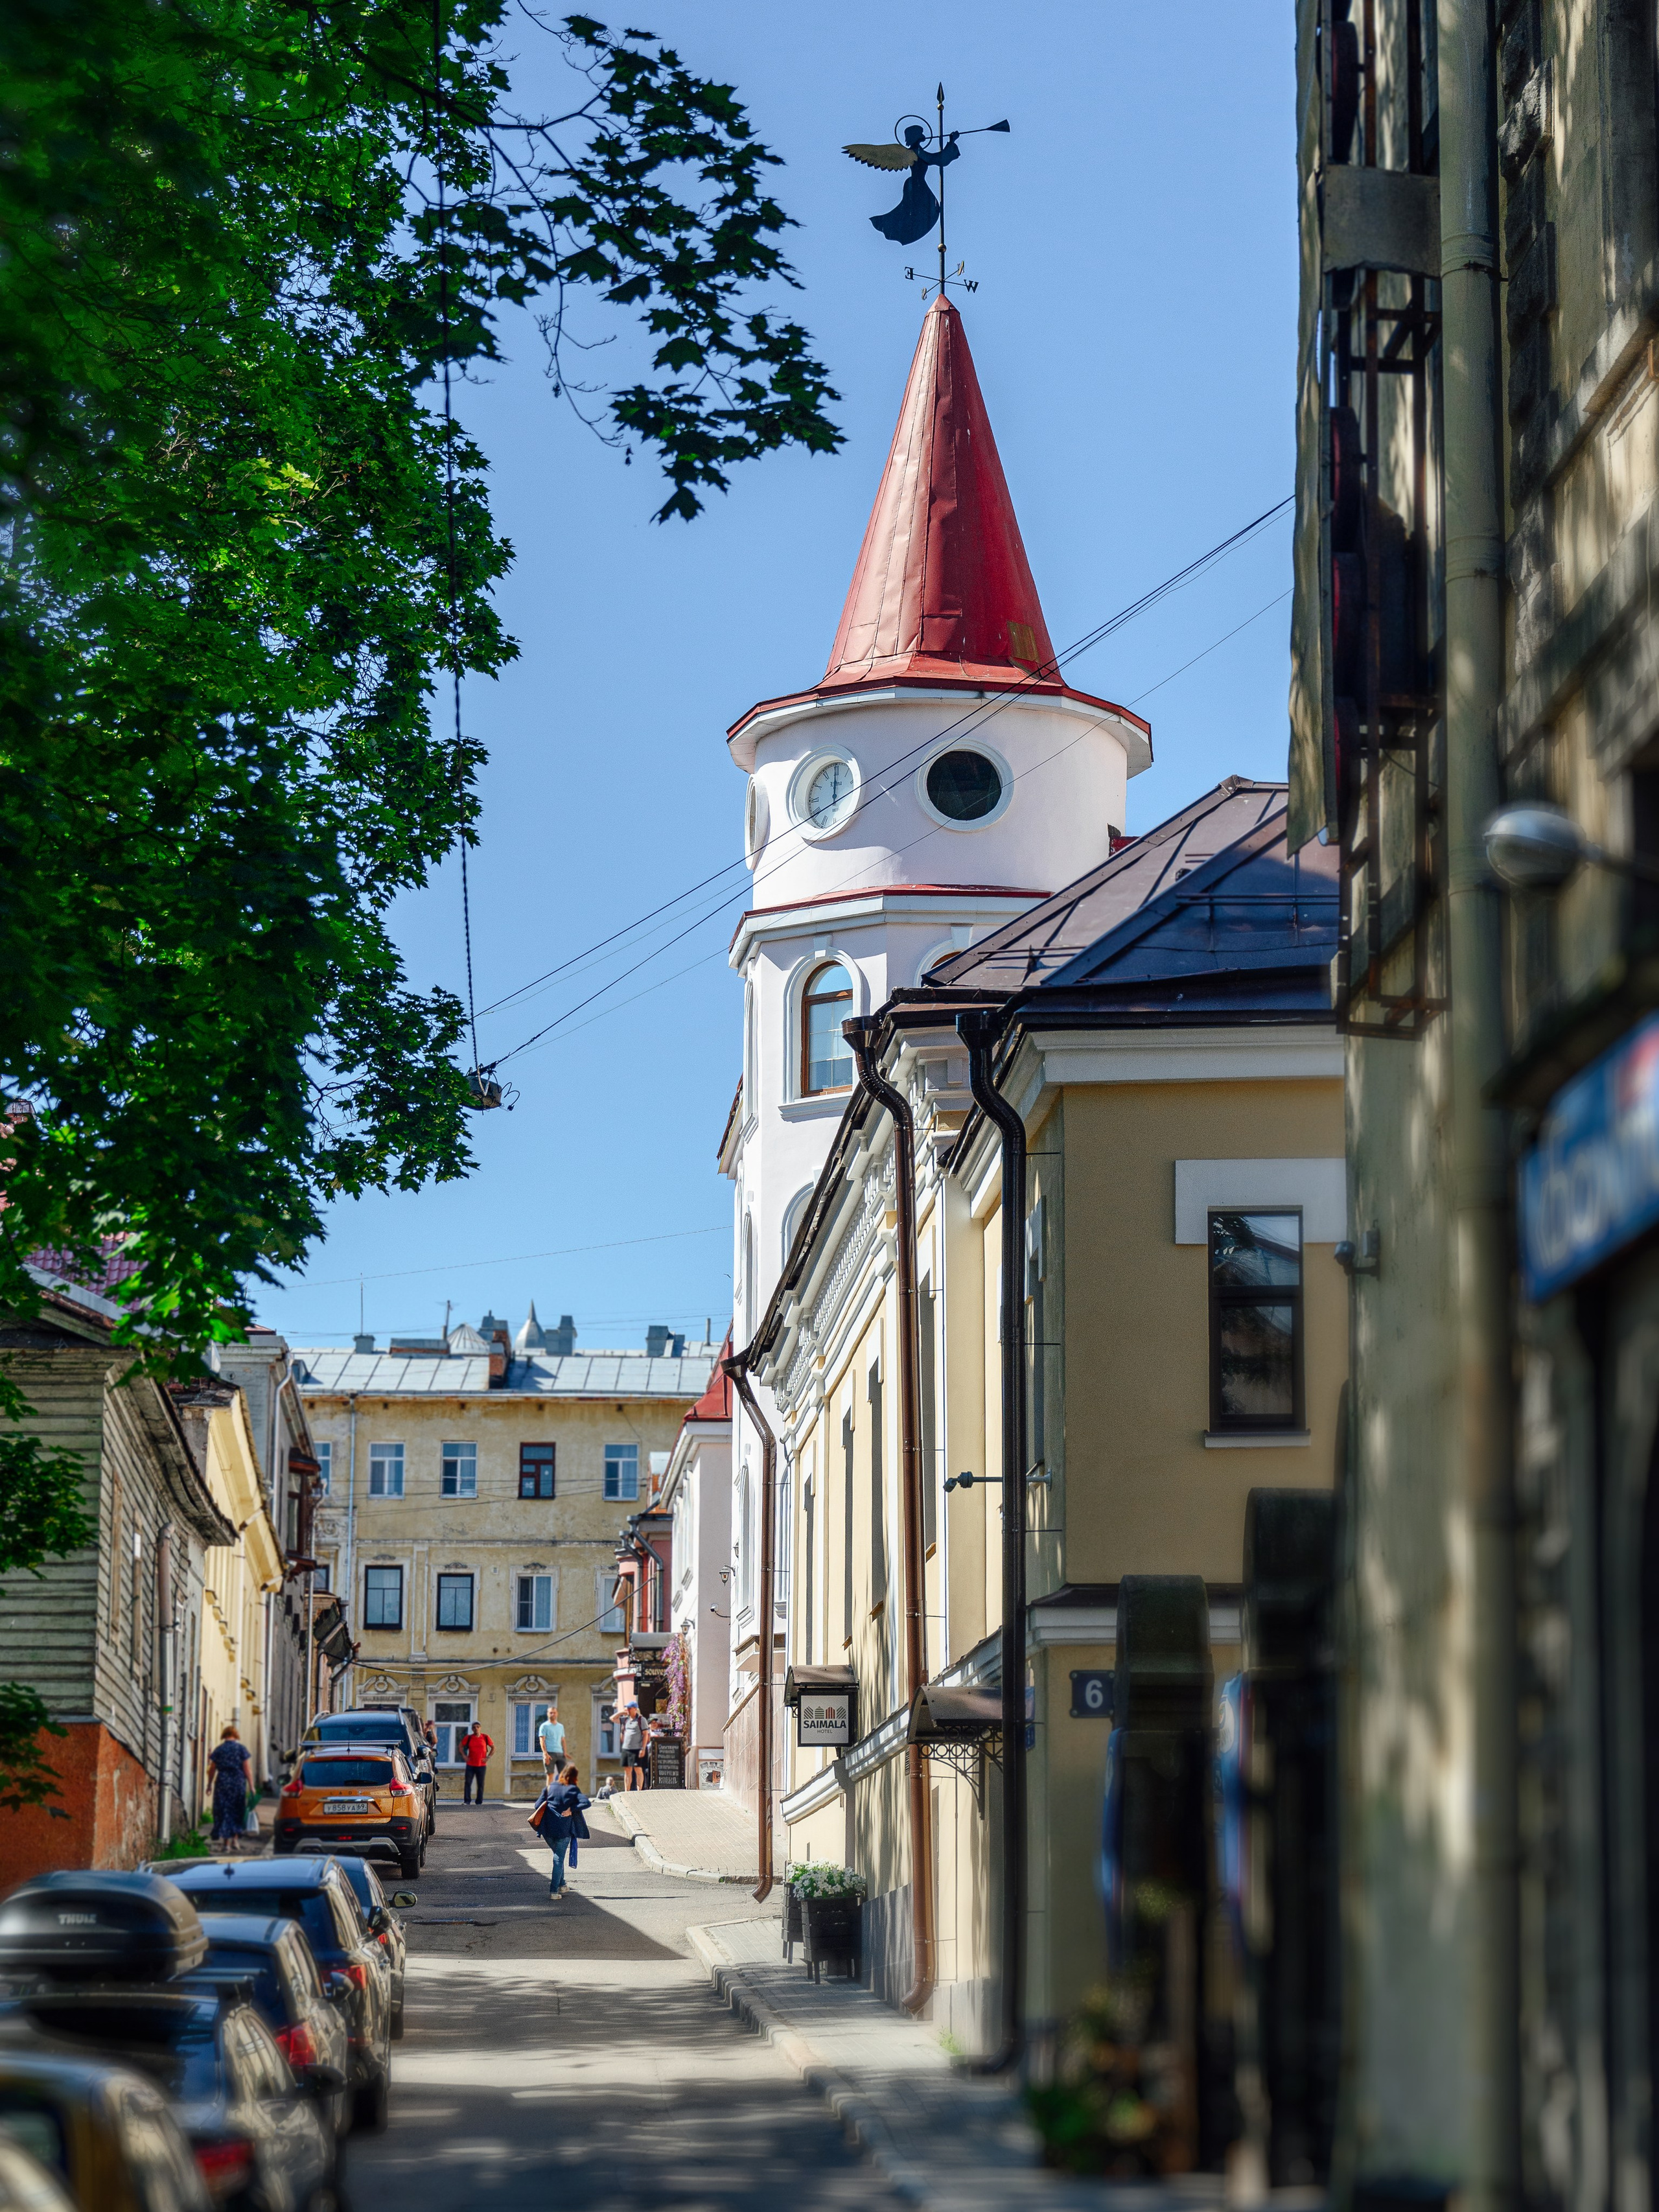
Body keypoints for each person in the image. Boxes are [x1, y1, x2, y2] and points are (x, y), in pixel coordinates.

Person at [531, 1765, 590, 1899]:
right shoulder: (573, 1790)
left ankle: (562, 1885)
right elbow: (586, 1803)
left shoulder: (550, 1787)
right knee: (558, 1859)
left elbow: (537, 1806)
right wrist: (571, 1809)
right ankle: (554, 1891)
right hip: (564, 1830)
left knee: (559, 1856)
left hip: (547, 1829)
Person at [208, 1725, 252, 1851]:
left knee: (224, 1811)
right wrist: (252, 1786)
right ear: (236, 1735)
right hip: (238, 1783)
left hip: (222, 1783)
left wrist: (209, 1784)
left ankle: (226, 1844)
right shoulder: (241, 1749)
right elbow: (247, 1769)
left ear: (224, 1735)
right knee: (237, 1810)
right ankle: (235, 1841)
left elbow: (212, 1769)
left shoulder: (219, 1750)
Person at [459, 1721, 493, 1805]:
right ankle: (467, 1801)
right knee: (468, 1783)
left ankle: (479, 1802)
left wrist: (488, 1757)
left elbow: (493, 1748)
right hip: (471, 1765)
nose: (476, 1728)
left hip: (481, 1765)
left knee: (480, 1784)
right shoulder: (469, 1738)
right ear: (472, 1729)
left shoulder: (485, 1737)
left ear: (480, 1728)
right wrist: (464, 1756)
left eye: (478, 1727)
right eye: (474, 1727)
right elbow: (460, 1746)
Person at [620, 1703, 644, 1791]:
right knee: (628, 1771)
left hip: (637, 1748)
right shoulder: (626, 1721)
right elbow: (622, 1735)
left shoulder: (641, 1721)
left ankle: (639, 1790)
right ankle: (627, 1791)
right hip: (627, 1749)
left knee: (638, 1770)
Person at [537, 1706, 566, 1780]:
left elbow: (563, 1740)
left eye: (555, 1712)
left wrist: (565, 1752)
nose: (553, 1714)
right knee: (550, 1776)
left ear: (557, 1714)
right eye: (551, 1713)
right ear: (548, 1714)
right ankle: (549, 1792)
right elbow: (542, 1741)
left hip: (560, 1753)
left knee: (563, 1776)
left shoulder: (560, 1727)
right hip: (550, 1753)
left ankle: (561, 1792)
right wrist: (545, 1754)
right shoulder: (544, 1726)